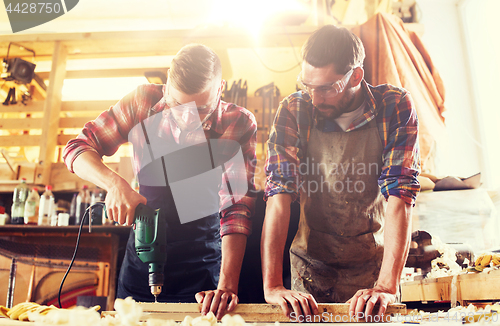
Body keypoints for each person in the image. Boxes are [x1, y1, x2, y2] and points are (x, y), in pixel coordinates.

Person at [63, 44, 257, 319]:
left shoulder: (237, 123)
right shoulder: (141, 103)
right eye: (178, 104)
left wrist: (226, 286)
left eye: (201, 108)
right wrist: (115, 184)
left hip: (202, 269)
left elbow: (236, 208)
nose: (188, 118)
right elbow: (77, 148)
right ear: (167, 85)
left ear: (220, 89)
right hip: (142, 261)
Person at [261, 25, 420, 320]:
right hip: (310, 268)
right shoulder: (295, 111)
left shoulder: (395, 106)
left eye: (326, 88)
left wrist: (386, 286)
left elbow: (400, 195)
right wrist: (272, 286)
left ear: (355, 76)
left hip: (372, 268)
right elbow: (279, 195)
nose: (315, 98)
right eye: (308, 85)